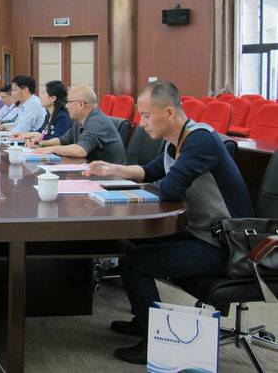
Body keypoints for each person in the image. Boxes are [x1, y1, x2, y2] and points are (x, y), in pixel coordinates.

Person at [83, 80, 254, 364]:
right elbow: (151, 171)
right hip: (199, 232)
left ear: (170, 112)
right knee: (131, 244)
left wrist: (136, 192)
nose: (142, 123)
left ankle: (154, 340)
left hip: (224, 246)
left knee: (136, 263)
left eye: (146, 115)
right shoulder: (177, 141)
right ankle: (144, 319)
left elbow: (171, 188)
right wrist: (113, 169)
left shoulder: (199, 140)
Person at [32, 85, 126, 164]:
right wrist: (41, 144)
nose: (66, 106)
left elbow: (81, 150)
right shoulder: (81, 120)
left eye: (69, 102)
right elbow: (63, 140)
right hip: (92, 169)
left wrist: (52, 149)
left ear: (81, 104)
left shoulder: (97, 121)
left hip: (110, 176)